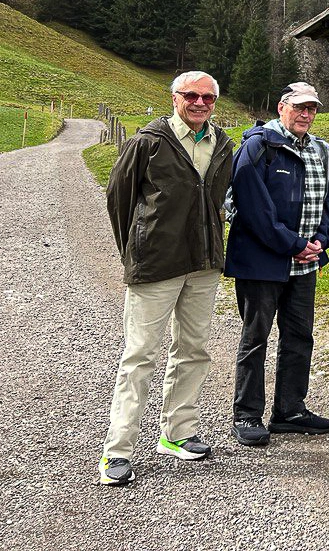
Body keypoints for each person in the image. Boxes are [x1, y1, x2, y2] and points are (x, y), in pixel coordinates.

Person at [98, 71, 234, 486]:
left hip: (204, 265)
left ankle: (177, 432)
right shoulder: (147, 142)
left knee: (193, 350)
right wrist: (136, 251)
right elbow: (118, 200)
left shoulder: (223, 144)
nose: (200, 103)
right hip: (156, 266)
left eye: (207, 97)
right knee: (140, 356)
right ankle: (117, 451)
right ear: (174, 98)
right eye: (191, 95)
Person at [225, 82, 329, 447]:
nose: (307, 115)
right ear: (281, 107)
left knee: (300, 336)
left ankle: (290, 410)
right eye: (300, 107)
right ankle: (247, 414)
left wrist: (322, 241)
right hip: (263, 263)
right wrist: (293, 244)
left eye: (313, 109)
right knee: (256, 338)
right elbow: (254, 211)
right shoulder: (259, 146)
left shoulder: (321, 149)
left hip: (304, 263)